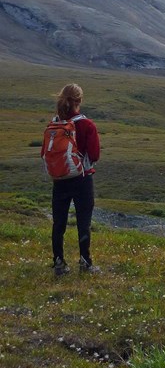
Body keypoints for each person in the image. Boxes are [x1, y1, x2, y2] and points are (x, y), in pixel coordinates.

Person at [44, 83, 101, 275]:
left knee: (58, 222)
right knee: (83, 221)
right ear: (80, 100)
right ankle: (85, 262)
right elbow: (94, 155)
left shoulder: (54, 125)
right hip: (82, 179)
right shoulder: (87, 125)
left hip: (59, 179)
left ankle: (59, 262)